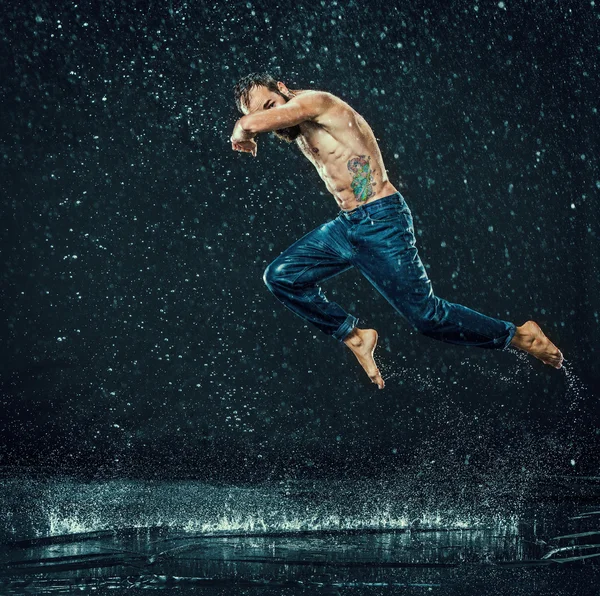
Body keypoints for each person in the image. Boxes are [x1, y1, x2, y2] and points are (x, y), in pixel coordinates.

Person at [230, 72, 564, 389]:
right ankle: (354, 336)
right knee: (281, 276)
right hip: (348, 226)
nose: (271, 118)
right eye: (261, 113)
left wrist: (244, 128)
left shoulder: (316, 102)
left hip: (382, 220)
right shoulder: (300, 126)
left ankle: (520, 336)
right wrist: (252, 122)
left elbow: (250, 123)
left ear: (284, 88)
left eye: (271, 105)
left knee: (427, 317)